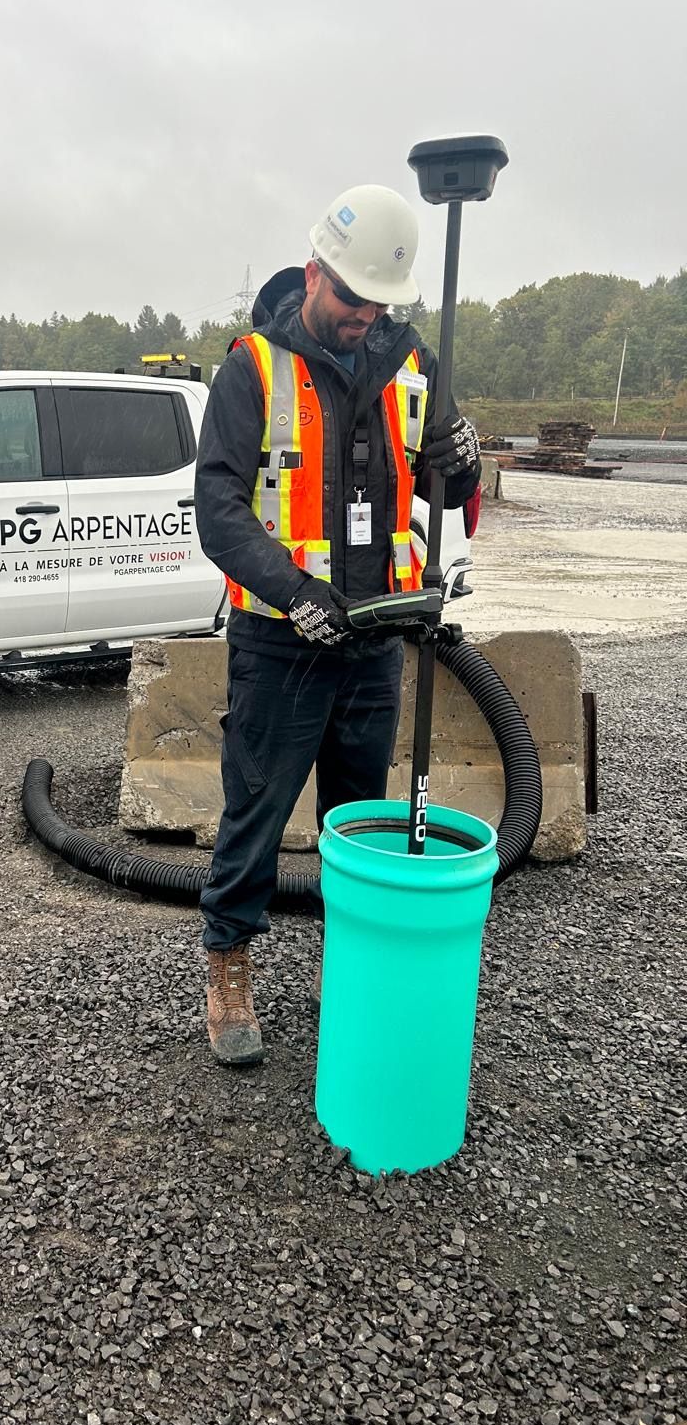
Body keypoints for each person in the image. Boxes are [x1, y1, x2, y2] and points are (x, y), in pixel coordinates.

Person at [194, 183, 482, 1067]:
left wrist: (461, 465)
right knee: (257, 809)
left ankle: (347, 965)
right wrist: (294, 592)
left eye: (377, 305)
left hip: (374, 639)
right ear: (314, 273)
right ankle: (229, 966)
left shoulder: (414, 368)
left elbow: (449, 499)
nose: (363, 317)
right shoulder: (253, 366)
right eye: (350, 299)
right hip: (284, 641)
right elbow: (218, 509)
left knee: (358, 816)